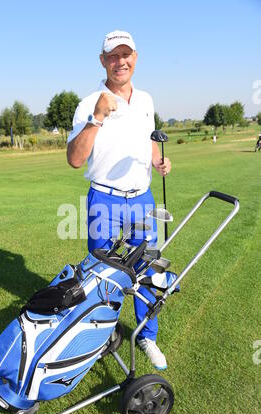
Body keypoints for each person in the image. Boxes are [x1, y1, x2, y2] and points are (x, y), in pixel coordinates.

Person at [67, 30, 171, 370]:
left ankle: (147, 336)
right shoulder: (88, 103)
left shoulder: (146, 100)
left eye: (126, 55)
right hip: (105, 200)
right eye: (113, 55)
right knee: (101, 273)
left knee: (147, 268)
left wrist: (158, 160)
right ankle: (98, 337)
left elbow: (149, 140)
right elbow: (75, 159)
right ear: (103, 61)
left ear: (135, 59)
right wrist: (97, 116)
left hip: (142, 198)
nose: (120, 61)